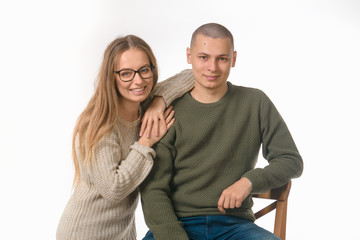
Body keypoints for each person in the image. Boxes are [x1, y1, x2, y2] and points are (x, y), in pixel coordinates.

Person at [140, 23, 303, 240]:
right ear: (189, 56)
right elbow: (153, 190)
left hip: (235, 226)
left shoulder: (255, 102)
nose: (212, 68)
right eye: (203, 57)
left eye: (222, 59)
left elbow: (290, 160)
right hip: (177, 225)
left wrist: (249, 182)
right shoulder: (168, 112)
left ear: (233, 59)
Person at [56, 35, 194, 240]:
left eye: (144, 70)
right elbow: (113, 189)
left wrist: (159, 101)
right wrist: (146, 141)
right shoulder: (100, 125)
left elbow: (192, 74)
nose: (138, 81)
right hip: (84, 232)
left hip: (123, 232)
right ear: (111, 77)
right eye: (126, 73)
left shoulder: (143, 106)